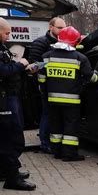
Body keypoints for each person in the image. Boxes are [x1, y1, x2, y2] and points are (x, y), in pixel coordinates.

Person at [38, 26, 98, 162]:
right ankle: (69, 154)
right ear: (76, 42)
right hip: (72, 101)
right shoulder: (80, 58)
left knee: (56, 125)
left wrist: (45, 93)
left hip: (52, 100)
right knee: (71, 127)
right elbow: (90, 77)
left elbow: (41, 79)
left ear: (59, 39)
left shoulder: (46, 57)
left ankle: (57, 152)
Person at [0, 18, 36, 190]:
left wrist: (19, 66)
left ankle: (7, 170)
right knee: (11, 137)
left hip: (9, 97)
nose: (8, 36)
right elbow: (3, 71)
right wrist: (20, 65)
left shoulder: (2, 48)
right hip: (3, 100)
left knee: (8, 136)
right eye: (6, 33)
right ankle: (12, 178)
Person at [29, 17, 67, 153]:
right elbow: (34, 66)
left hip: (61, 87)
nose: (63, 30)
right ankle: (45, 143)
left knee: (55, 115)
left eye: (64, 28)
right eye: (60, 28)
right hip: (46, 86)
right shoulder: (40, 43)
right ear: (51, 27)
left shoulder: (64, 42)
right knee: (47, 114)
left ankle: (53, 141)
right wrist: (41, 85)